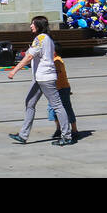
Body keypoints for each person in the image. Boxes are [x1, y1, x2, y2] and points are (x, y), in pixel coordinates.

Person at [7, 16, 73, 145]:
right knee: (30, 103)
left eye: (32, 24)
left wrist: (14, 70)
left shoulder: (41, 38)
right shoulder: (47, 38)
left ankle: (67, 136)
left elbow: (29, 56)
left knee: (57, 106)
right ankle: (23, 135)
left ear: (38, 26)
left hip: (45, 78)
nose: (30, 26)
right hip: (39, 77)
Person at [48, 39, 79, 142]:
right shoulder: (53, 60)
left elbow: (57, 76)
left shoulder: (57, 61)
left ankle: (74, 130)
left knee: (67, 109)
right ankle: (59, 129)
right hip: (55, 89)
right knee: (53, 110)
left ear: (54, 52)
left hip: (62, 89)